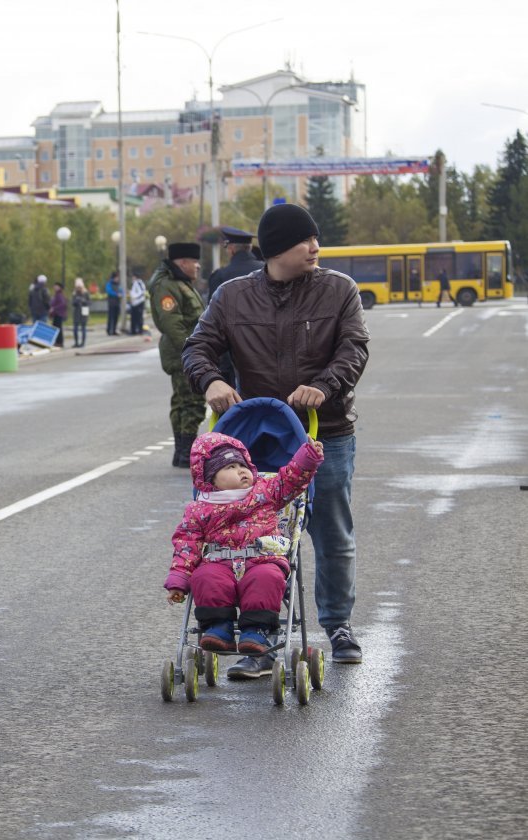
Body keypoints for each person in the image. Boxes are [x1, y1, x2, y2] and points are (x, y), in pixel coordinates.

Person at [183, 202, 370, 676]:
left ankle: (338, 624)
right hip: (257, 439)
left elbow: (354, 348)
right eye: (306, 240)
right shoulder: (232, 297)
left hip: (324, 432)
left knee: (331, 533)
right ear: (279, 248)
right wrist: (210, 381)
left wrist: (324, 387)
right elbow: (198, 346)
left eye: (315, 238)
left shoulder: (338, 290)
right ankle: (261, 638)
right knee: (261, 539)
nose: (315, 247)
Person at [165, 432, 324, 652]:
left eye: (243, 465)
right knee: (204, 577)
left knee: (267, 578)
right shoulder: (200, 509)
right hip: (219, 562)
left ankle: (256, 630)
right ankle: (218, 627)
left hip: (262, 559)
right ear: (211, 478)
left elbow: (291, 479)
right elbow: (186, 545)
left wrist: (308, 456)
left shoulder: (266, 491)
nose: (240, 471)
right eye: (229, 468)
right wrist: (179, 580)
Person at [149, 241, 205, 468]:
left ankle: (183, 453)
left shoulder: (180, 283)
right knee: (191, 402)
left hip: (185, 351)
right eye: (194, 262)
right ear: (182, 262)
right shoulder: (167, 285)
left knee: (184, 401)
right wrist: (191, 352)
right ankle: (186, 452)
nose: (198, 267)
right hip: (182, 352)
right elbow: (173, 324)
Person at [203, 227, 263, 388]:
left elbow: (214, 320)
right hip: (267, 351)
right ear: (249, 248)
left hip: (232, 355)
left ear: (230, 249)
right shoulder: (267, 269)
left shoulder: (221, 276)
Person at [71, 277, 91, 347]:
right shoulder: (74, 293)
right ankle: (76, 342)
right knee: (75, 328)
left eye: (80, 287)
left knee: (83, 327)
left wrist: (83, 301)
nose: (78, 288)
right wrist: (76, 301)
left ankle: (83, 343)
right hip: (76, 311)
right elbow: (72, 303)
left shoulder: (86, 293)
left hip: (84, 310)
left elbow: (89, 302)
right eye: (77, 287)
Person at [49, 281, 68, 347]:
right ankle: (57, 341)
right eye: (54, 286)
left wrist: (54, 308)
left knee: (58, 328)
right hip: (56, 314)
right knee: (56, 328)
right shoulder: (57, 294)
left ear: (59, 287)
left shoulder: (59, 295)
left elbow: (63, 304)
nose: (55, 287)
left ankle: (60, 342)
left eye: (56, 286)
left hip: (59, 314)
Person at [105, 270, 122, 335]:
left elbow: (121, 290)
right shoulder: (109, 283)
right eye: (117, 277)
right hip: (111, 302)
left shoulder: (118, 284)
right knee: (110, 317)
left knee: (116, 317)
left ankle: (114, 330)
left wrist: (121, 294)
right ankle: (109, 330)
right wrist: (116, 294)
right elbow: (109, 291)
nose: (118, 279)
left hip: (117, 303)